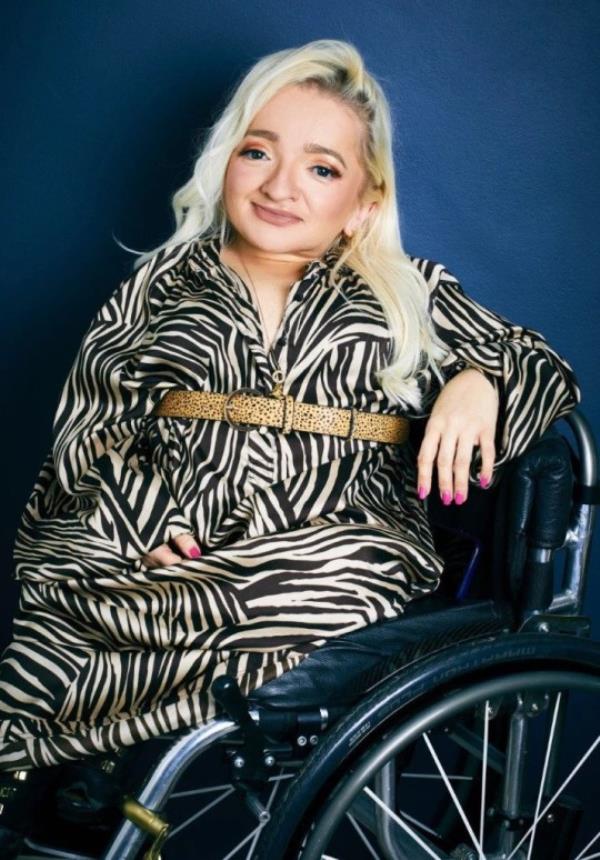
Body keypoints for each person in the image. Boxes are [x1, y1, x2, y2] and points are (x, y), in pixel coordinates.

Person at [0, 36, 580, 836]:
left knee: (340, 575)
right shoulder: (159, 289)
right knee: (72, 582)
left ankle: (105, 741)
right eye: (257, 152)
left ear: (364, 202)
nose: (280, 186)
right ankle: (68, 763)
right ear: (225, 162)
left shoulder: (401, 294)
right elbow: (92, 432)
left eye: (321, 168)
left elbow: (543, 367)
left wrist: (481, 382)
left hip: (335, 545)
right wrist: (147, 522)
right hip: (175, 549)